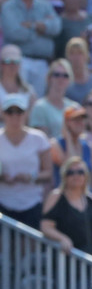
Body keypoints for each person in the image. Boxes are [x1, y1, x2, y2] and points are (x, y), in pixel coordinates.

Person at [0, 0, 61, 97]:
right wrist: (42, 28)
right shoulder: (9, 7)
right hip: (20, 62)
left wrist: (31, 25)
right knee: (18, 101)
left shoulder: (44, 5)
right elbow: (14, 33)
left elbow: (56, 27)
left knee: (37, 101)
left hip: (42, 61)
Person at [40, 156, 92, 260]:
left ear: (86, 176)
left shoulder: (91, 199)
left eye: (80, 172)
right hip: (71, 261)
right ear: (64, 176)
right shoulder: (56, 196)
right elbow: (46, 226)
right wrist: (63, 238)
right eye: (71, 172)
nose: (76, 176)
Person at [0, 93, 52, 228]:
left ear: (26, 113)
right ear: (3, 113)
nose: (14, 116)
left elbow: (48, 173)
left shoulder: (39, 138)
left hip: (32, 204)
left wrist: (30, 177)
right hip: (2, 204)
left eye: (19, 112)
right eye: (10, 111)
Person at [29, 59, 77, 139]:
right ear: (49, 78)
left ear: (70, 80)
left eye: (65, 75)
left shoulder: (74, 107)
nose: (61, 78)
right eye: (57, 74)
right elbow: (42, 141)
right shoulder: (40, 107)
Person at [51, 105, 92, 188]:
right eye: (76, 119)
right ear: (67, 122)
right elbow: (70, 166)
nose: (81, 123)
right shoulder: (56, 144)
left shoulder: (87, 146)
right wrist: (68, 138)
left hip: (83, 196)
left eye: (82, 119)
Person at [0, 45, 37, 129]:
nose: (12, 65)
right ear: (1, 64)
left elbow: (33, 115)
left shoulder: (28, 90)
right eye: (8, 61)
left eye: (16, 62)